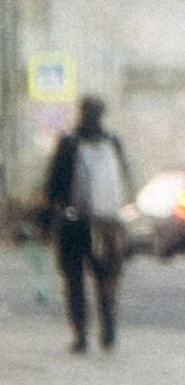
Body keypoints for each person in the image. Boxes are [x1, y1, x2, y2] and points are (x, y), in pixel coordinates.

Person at [46, 94, 132, 354]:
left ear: (80, 113)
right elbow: (126, 179)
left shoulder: (69, 144)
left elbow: (55, 184)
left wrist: (50, 215)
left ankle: (81, 334)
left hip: (74, 223)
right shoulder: (113, 143)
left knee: (74, 280)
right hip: (106, 225)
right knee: (106, 278)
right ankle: (108, 330)